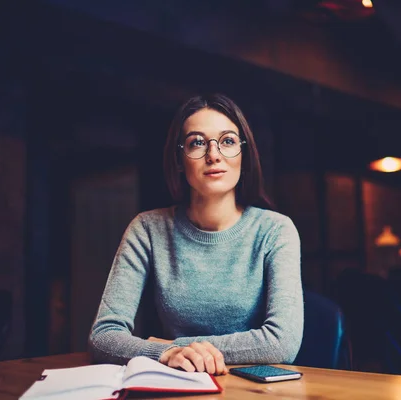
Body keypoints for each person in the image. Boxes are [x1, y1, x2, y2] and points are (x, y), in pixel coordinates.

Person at [88, 94, 304, 375]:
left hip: (255, 390)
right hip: (177, 385)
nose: (213, 155)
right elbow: (103, 336)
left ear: (243, 154)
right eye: (197, 143)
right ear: (179, 160)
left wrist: (174, 346)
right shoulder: (147, 229)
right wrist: (166, 353)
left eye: (227, 141)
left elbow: (282, 343)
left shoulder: (275, 230)